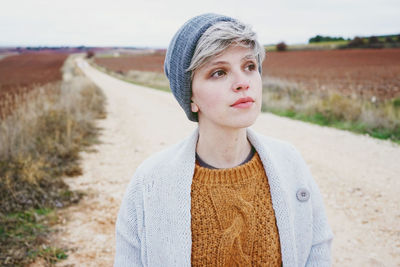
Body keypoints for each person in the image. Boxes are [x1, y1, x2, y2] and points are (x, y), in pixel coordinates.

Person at [114, 13, 334, 267]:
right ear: (191, 97)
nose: (243, 83)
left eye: (249, 66)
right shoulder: (149, 182)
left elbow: (317, 248)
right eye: (219, 72)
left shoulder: (290, 163)